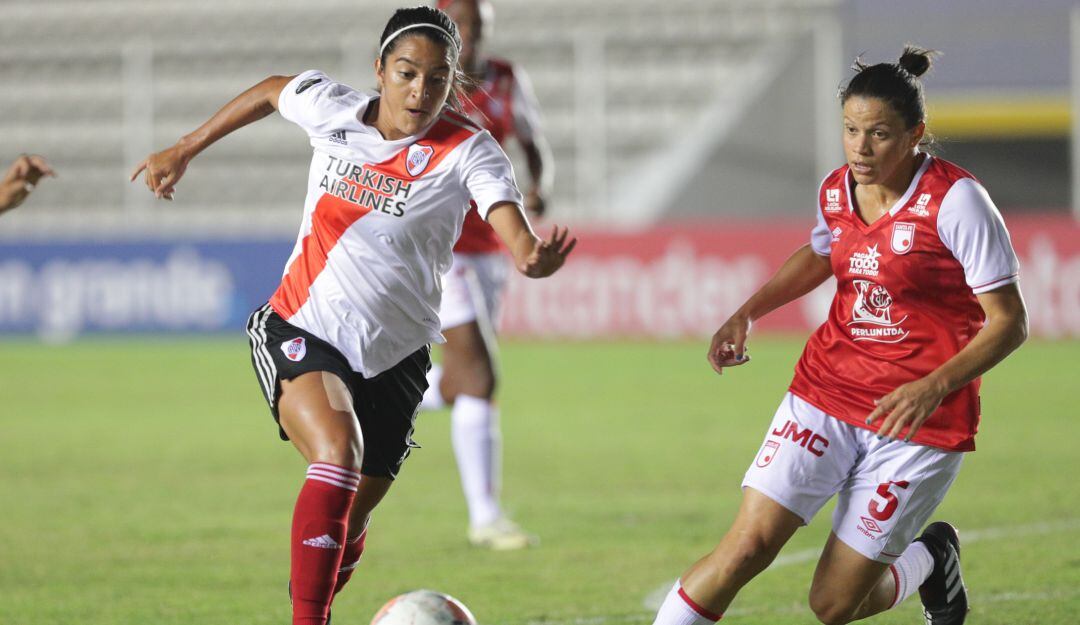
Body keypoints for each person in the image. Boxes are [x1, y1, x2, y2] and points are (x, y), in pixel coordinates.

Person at [131, 7, 575, 625]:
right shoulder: (332, 107)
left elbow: (515, 233)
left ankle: (320, 584)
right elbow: (268, 92)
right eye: (406, 73)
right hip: (301, 325)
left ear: (454, 83)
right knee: (337, 454)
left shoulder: (470, 151)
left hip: (397, 358)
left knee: (349, 518)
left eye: (437, 78)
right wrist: (185, 147)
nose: (420, 90)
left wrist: (533, 258)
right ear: (380, 71)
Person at [650, 47, 1027, 625]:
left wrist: (932, 386)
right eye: (851, 130)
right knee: (745, 547)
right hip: (825, 394)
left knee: (831, 605)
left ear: (915, 134)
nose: (860, 147)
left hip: (917, 423)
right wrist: (748, 311)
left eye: (878, 133)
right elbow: (823, 253)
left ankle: (931, 557)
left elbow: (1009, 322)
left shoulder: (957, 203)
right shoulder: (835, 190)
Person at [417, 0, 554, 551]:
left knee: (460, 382)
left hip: (490, 249)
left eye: (479, 28)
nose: (472, 36)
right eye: (463, 27)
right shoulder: (425, 78)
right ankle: (485, 516)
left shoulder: (504, 78)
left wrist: (539, 186)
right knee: (482, 377)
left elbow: (531, 140)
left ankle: (368, 386)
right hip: (438, 248)